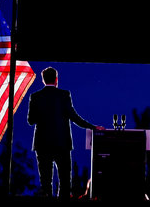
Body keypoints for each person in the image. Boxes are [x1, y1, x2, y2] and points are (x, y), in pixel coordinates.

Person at [27, 67, 105, 199]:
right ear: (56, 79)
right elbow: (74, 117)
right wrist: (92, 127)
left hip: (42, 144)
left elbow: (30, 121)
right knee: (64, 182)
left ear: (43, 79)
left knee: (45, 182)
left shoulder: (35, 97)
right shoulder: (64, 95)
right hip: (62, 144)